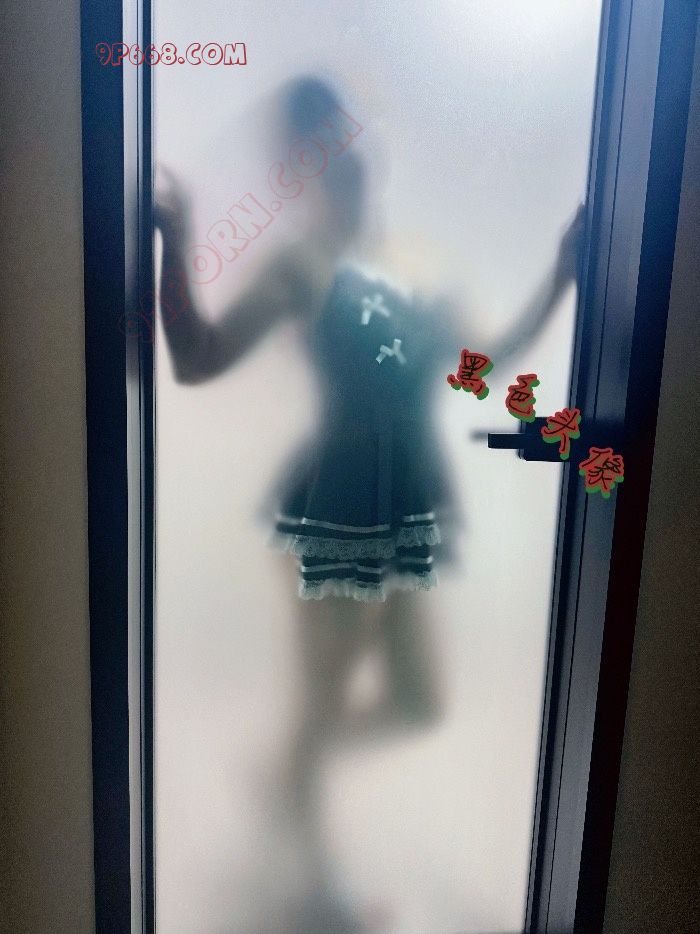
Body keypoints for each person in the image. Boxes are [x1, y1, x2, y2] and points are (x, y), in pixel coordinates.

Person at [154, 75, 584, 932]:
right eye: (324, 142)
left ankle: (287, 770)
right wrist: (179, 237)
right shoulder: (300, 266)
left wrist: (563, 275)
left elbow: (487, 360)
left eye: (352, 133)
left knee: (421, 701)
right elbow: (197, 360)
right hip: (333, 514)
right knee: (321, 706)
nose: (347, 152)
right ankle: (315, 886)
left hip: (408, 512)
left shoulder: (415, 267)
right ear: (305, 165)